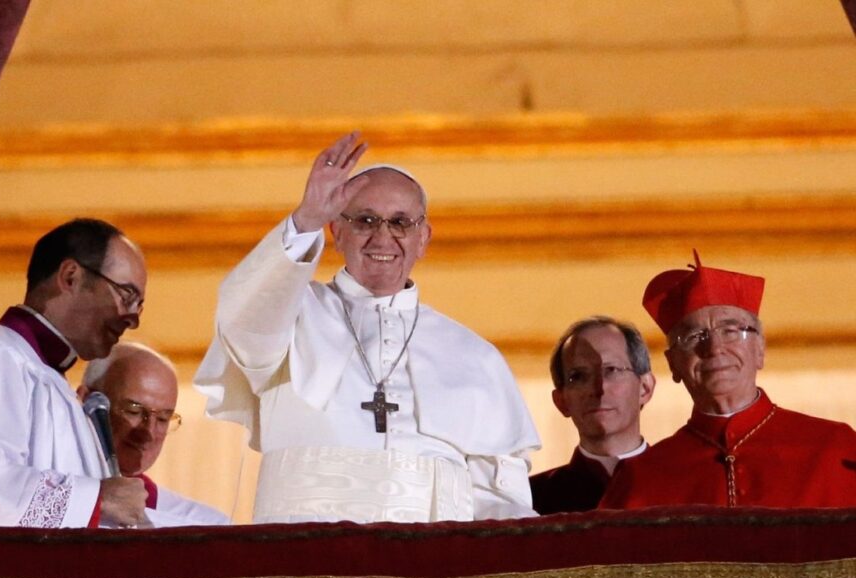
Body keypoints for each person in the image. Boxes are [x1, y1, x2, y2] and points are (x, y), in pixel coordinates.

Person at [195, 132, 540, 523]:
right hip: (305, 558)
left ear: (423, 238)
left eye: (400, 223)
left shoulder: (475, 356)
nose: (383, 236)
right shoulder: (291, 313)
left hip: (429, 570)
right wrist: (306, 216)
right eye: (365, 220)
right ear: (336, 232)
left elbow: (499, 497)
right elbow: (243, 321)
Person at [0, 218, 152, 528]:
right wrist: (97, 499)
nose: (133, 319)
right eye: (126, 295)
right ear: (70, 277)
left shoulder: (55, 383)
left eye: (139, 304)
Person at [601, 252, 856, 509]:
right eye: (694, 336)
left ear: (759, 349)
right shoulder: (641, 477)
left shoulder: (834, 447)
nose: (714, 348)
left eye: (731, 331)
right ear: (673, 364)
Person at [79, 342, 230, 527]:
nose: (148, 432)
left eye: (163, 419)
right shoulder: (49, 496)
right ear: (86, 401)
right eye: (133, 411)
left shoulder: (203, 525)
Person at [530, 317, 655, 515]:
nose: (599, 389)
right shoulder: (531, 501)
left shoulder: (688, 486)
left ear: (645, 388)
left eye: (611, 370)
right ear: (561, 401)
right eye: (578, 377)